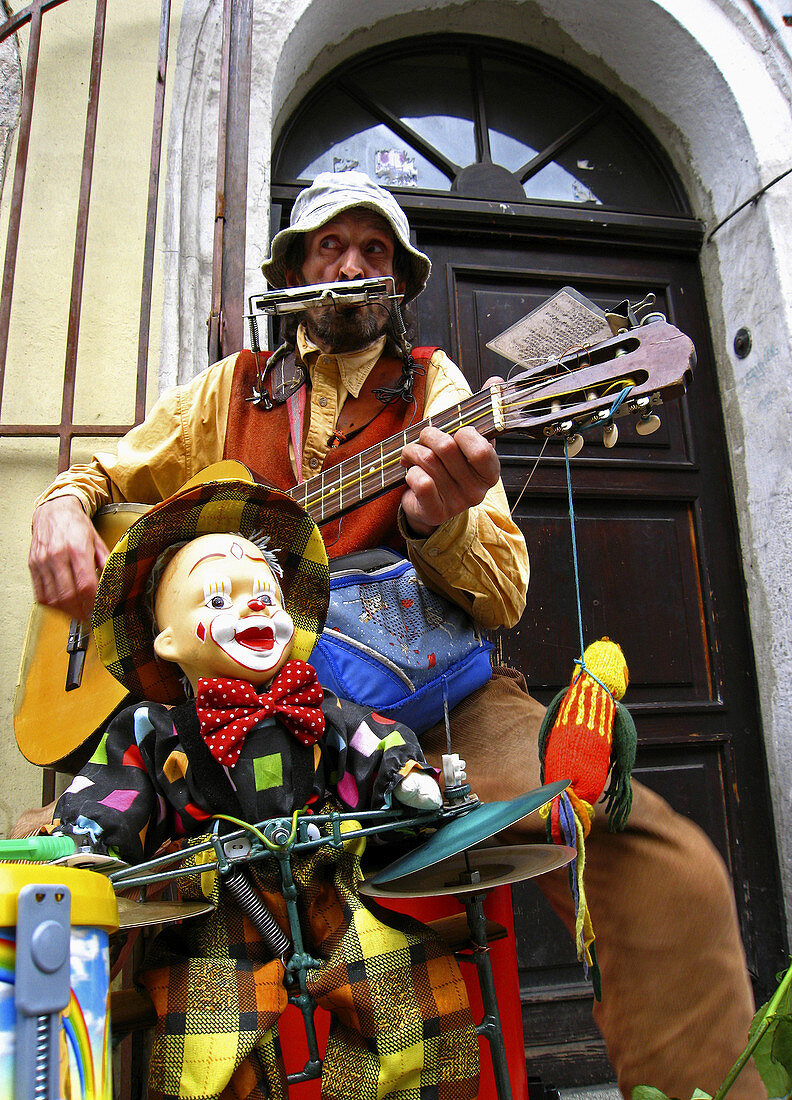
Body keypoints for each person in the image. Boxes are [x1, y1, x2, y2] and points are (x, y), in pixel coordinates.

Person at [28, 171, 763, 1100]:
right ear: (292, 268)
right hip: (227, 713)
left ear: (401, 284)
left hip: (434, 710)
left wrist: (437, 526)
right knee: (46, 873)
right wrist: (64, 503)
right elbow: (106, 469)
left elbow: (504, 596)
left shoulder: (438, 392)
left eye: (375, 252)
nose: (351, 266)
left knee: (662, 861)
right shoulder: (229, 391)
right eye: (330, 246)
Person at [53, 477, 479, 1100]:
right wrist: (85, 841)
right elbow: (115, 790)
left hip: (325, 882)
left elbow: (367, 741)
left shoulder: (316, 707)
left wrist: (403, 778)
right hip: (219, 904)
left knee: (411, 1004)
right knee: (207, 1053)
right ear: (166, 641)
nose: (253, 608)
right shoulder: (156, 728)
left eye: (266, 594)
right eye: (218, 599)